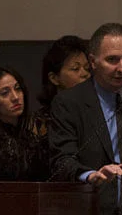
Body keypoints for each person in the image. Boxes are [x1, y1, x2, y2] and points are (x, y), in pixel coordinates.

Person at [50, 23, 122, 215]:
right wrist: (90, 175)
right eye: (112, 60)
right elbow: (61, 160)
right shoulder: (69, 103)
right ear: (93, 61)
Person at [32, 35, 90, 173]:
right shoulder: (39, 122)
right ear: (54, 78)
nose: (85, 74)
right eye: (75, 69)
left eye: (87, 68)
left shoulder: (94, 111)